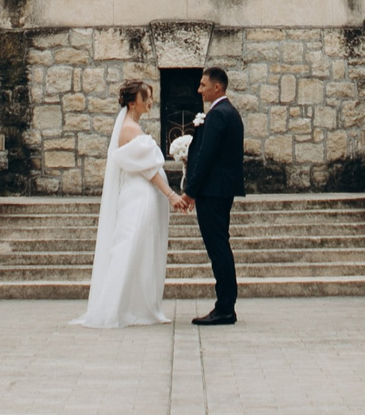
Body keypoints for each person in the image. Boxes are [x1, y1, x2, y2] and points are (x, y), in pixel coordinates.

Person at [73, 77, 178, 328]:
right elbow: (149, 169)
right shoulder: (130, 129)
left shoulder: (132, 126)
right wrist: (171, 194)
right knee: (129, 248)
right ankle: (119, 308)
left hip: (140, 195)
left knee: (139, 250)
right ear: (133, 103)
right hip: (139, 197)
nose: (150, 101)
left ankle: (135, 306)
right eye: (146, 97)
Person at [179, 65, 245, 325]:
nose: (199, 89)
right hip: (220, 190)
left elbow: (207, 157)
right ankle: (226, 305)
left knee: (218, 248)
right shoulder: (229, 112)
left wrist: (190, 192)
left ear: (217, 86)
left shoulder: (218, 114)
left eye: (203, 85)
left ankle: (225, 307)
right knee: (220, 247)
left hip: (213, 192)